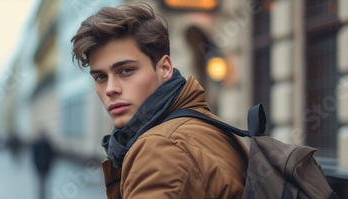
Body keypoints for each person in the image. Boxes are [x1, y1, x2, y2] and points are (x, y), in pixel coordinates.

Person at [71, 3, 248, 199]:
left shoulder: (160, 148)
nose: (111, 89)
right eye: (100, 77)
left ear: (164, 68)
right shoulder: (199, 125)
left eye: (126, 70)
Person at [32, 131, 54, 199]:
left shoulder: (37, 144)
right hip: (45, 165)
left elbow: (34, 156)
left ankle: (42, 190)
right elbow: (51, 155)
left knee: (41, 179)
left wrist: (35, 164)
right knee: (44, 178)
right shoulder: (47, 144)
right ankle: (43, 190)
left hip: (40, 165)